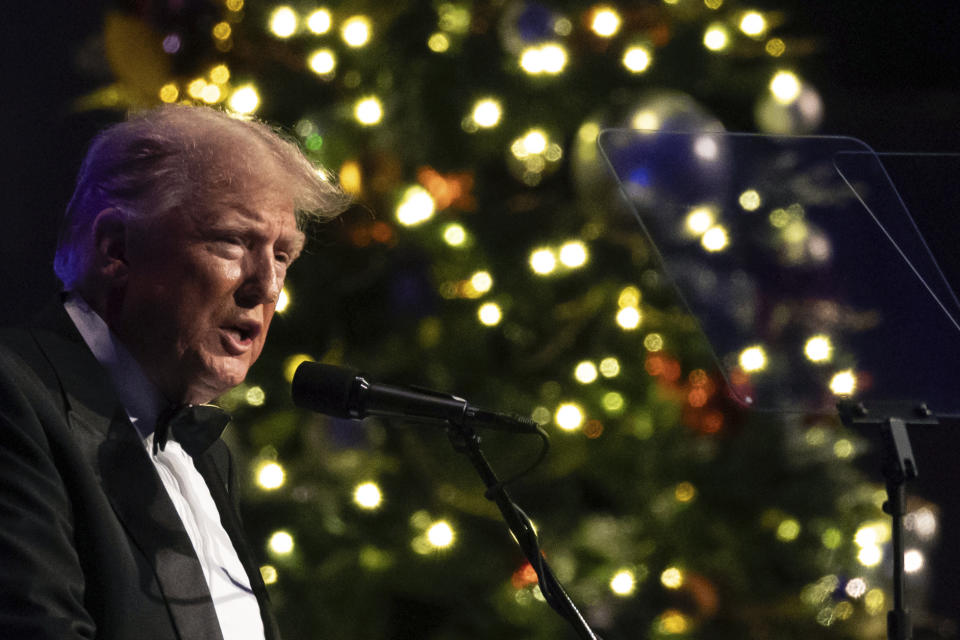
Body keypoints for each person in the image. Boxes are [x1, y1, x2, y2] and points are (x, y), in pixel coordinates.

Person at [0, 105, 347, 639]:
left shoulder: (209, 455)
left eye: (282, 256)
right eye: (232, 240)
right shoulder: (16, 397)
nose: (268, 287)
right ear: (116, 248)